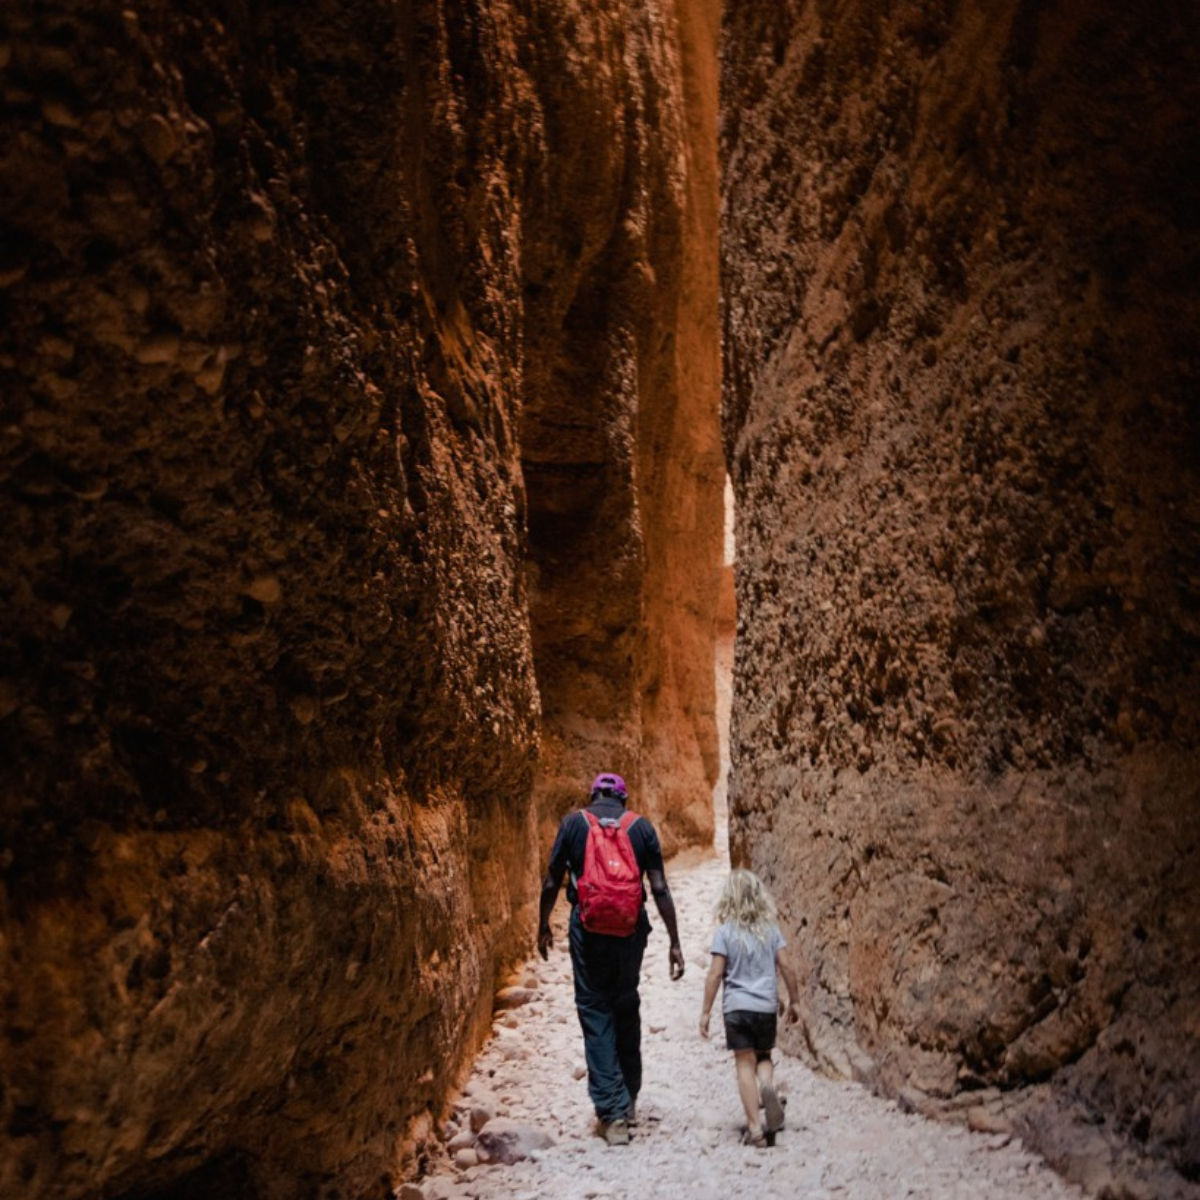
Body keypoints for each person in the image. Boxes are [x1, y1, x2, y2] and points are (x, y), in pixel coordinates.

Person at [538, 772, 685, 1146]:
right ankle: (630, 1096)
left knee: (594, 1008)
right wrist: (674, 942)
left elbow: (553, 880)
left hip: (587, 932)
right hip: (629, 931)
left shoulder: (573, 824)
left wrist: (542, 925)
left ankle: (612, 1114)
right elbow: (660, 888)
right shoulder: (642, 829)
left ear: (592, 796)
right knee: (625, 1000)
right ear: (624, 798)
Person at [698, 868, 800, 1147]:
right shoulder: (771, 931)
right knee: (763, 1056)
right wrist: (795, 1001)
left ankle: (755, 1129)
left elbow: (715, 973)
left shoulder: (725, 932)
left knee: (744, 1062)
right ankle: (767, 1085)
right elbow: (787, 966)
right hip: (766, 1006)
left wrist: (706, 1011)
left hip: (737, 1008)